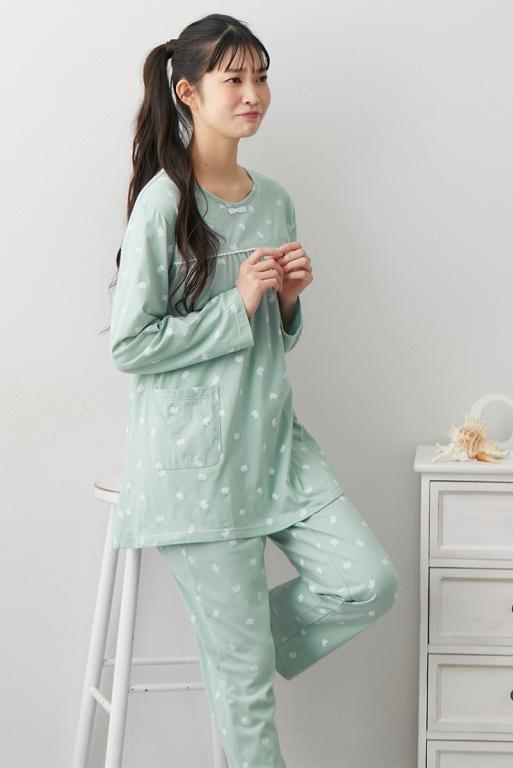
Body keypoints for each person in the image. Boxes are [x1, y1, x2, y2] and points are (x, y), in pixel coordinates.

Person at [107, 13, 399, 767]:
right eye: (233, 79)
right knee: (247, 694)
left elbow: (275, 341)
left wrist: (287, 303)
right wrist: (234, 304)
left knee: (367, 582)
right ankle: (235, 654)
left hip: (276, 447)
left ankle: (235, 646)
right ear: (188, 92)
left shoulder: (274, 200)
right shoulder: (163, 205)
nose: (253, 94)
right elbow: (130, 345)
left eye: (261, 78)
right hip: (197, 470)